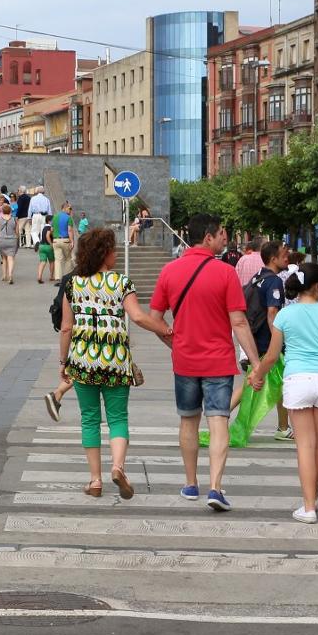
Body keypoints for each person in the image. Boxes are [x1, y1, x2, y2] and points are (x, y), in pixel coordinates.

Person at [150, 214, 262, 512]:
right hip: (218, 362)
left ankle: (191, 484)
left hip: (184, 360)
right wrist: (255, 362)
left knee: (188, 420)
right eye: (221, 233)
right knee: (218, 421)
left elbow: (154, 319)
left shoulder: (170, 270)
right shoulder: (225, 273)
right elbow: (239, 322)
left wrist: (173, 342)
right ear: (208, 237)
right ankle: (215, 487)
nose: (225, 238)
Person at [59, 228, 172, 498]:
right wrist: (166, 329)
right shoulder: (121, 282)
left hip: (82, 360)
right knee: (118, 417)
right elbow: (138, 317)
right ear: (104, 253)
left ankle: (95, 481)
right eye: (113, 249)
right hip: (116, 360)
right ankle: (118, 467)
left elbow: (66, 328)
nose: (117, 254)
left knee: (89, 418)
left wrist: (63, 362)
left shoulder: (72, 285)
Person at [250, 262, 318, 524]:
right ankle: (315, 494)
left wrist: (257, 375)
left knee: (304, 445)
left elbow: (272, 356)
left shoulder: (284, 315)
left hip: (297, 380)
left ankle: (308, 506)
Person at [231, 240, 293, 440]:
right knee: (254, 379)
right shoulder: (274, 281)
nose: (287, 257)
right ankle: (220, 414)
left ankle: (283, 427)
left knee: (278, 381)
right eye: (284, 254)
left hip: (256, 336)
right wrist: (278, 338)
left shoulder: (258, 276)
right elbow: (272, 312)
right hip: (268, 340)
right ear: (273, 258)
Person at [51, 202, 76, 284]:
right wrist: (72, 241)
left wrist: (55, 237)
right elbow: (70, 230)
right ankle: (66, 278)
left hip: (55, 240)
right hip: (65, 240)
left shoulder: (55, 217)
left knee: (57, 260)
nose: (70, 210)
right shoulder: (68, 218)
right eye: (70, 208)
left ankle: (58, 278)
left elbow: (51, 229)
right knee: (68, 259)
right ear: (65, 208)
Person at [0, 202, 19, 284]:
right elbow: (17, 232)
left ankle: (4, 275)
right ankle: (10, 275)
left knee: (4, 258)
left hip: (2, 240)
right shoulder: (15, 219)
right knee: (10, 258)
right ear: (10, 211)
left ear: (2, 211)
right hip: (12, 240)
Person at [28, 186, 51, 251]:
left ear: (37, 191)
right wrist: (50, 218)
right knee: (42, 230)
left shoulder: (33, 198)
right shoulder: (46, 199)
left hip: (36, 215)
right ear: (43, 192)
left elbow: (30, 209)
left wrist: (29, 218)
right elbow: (49, 210)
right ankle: (41, 244)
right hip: (44, 216)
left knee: (34, 231)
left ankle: (36, 241)